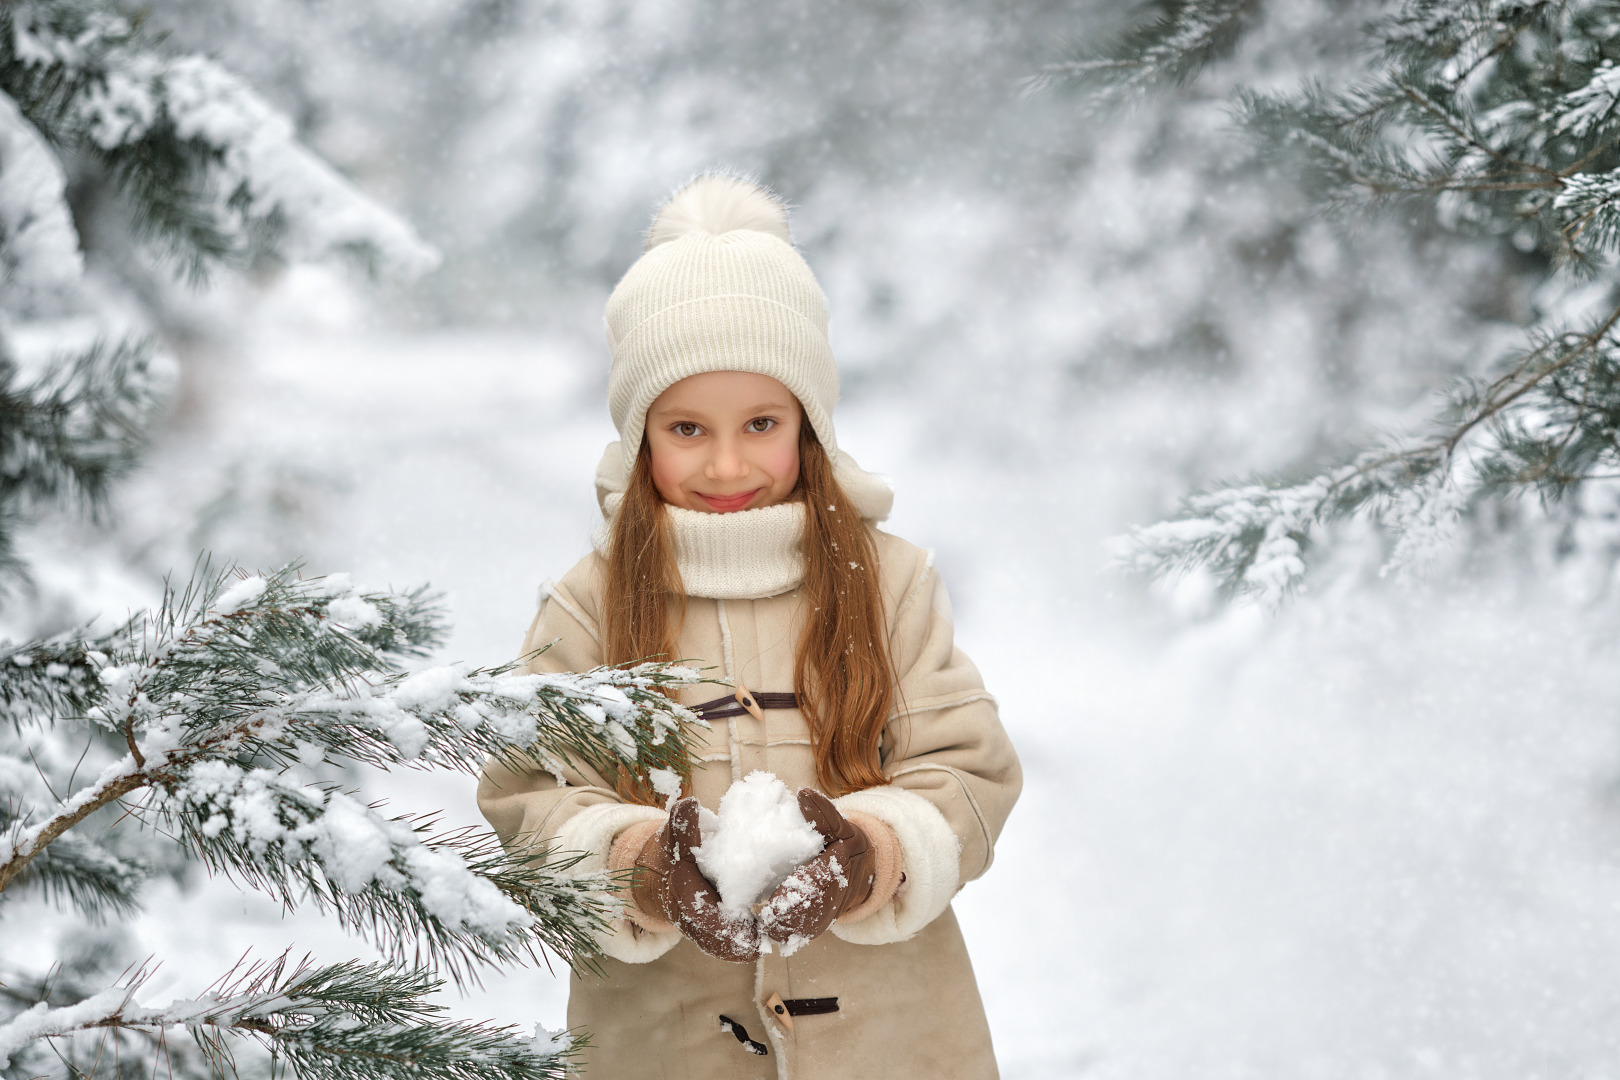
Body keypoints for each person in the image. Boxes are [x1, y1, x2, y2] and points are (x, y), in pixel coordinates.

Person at [477, 173, 1022, 1079]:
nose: (726, 463)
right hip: (666, 1040)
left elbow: (969, 769)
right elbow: (527, 794)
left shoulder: (886, 581)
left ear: (807, 424)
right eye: (687, 428)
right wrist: (639, 864)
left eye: (760, 423)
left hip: (891, 1038)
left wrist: (874, 855)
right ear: (638, 433)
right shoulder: (589, 603)